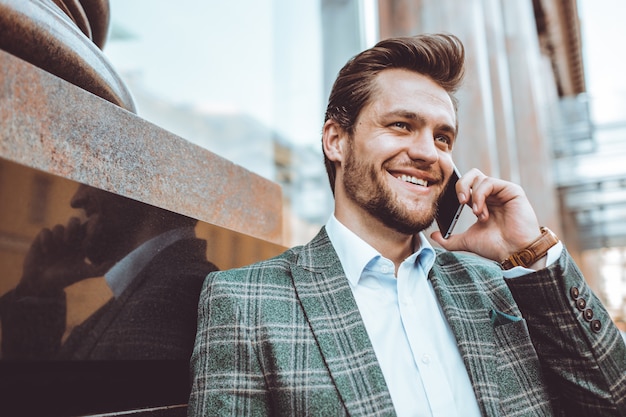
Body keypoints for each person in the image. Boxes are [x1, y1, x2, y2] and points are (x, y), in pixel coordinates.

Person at [188, 34, 626, 416]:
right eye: (401, 125)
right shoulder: (247, 303)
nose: (429, 153)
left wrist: (529, 251)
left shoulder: (499, 284)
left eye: (443, 137)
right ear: (336, 140)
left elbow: (613, 401)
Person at [1, 184, 219, 360]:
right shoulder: (164, 289)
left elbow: (42, 403)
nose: (76, 198)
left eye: (92, 174)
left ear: (144, 183)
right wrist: (39, 291)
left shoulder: (172, 297)